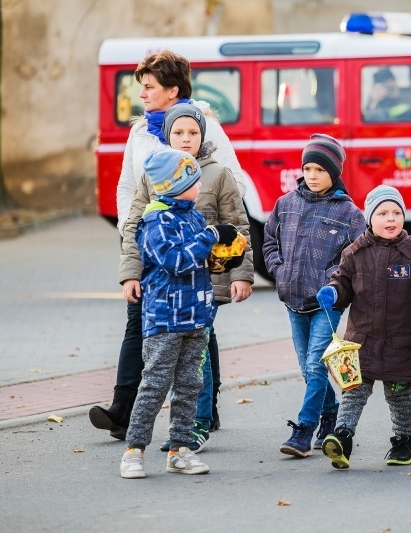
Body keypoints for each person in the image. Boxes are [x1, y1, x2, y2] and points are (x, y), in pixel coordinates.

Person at [89, 50, 248, 440]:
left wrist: (196, 220)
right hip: (150, 242)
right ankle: (123, 409)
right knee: (137, 321)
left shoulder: (205, 125)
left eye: (148, 87)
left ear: (172, 90)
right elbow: (130, 185)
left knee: (197, 328)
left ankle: (202, 410)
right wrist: (135, 226)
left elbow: (233, 185)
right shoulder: (140, 131)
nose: (141, 94)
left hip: (196, 248)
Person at [119, 103, 254, 452]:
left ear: (202, 136)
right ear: (167, 136)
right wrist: (130, 274)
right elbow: (135, 226)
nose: (186, 139)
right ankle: (182, 425)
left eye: (193, 133)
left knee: (199, 356)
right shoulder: (155, 174)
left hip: (206, 281)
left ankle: (196, 424)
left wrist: (242, 274)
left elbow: (237, 227)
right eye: (178, 132)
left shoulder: (218, 173)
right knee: (170, 363)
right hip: (163, 285)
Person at [316, 185, 411, 469]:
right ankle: (343, 438)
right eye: (383, 213)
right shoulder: (355, 252)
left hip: (400, 342)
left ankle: (402, 442)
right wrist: (334, 293)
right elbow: (343, 282)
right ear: (369, 218)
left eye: (396, 213)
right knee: (353, 392)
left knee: (398, 394)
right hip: (361, 341)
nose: (391, 219)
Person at [263, 134, 365, 457]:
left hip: (327, 302)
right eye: (307, 168)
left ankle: (304, 430)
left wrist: (336, 283)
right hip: (293, 299)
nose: (312, 175)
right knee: (308, 369)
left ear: (333, 173)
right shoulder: (286, 204)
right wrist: (279, 272)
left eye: (319, 169)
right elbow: (268, 240)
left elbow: (359, 255)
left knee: (317, 365)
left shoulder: (349, 213)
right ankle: (330, 413)